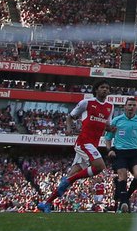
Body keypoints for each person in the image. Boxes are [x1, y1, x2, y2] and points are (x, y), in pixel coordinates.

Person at [38, 80, 114, 213]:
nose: (105, 90)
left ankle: (46, 203)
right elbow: (70, 117)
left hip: (93, 144)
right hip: (84, 142)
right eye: (102, 87)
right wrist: (68, 128)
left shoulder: (110, 107)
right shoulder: (87, 103)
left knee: (70, 177)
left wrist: (113, 128)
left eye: (107, 88)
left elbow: (107, 126)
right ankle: (69, 180)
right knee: (100, 166)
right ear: (96, 90)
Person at [105, 96, 137, 212]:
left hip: (134, 152)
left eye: (134, 105)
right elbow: (108, 137)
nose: (131, 107)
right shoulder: (117, 120)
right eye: (129, 105)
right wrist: (109, 150)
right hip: (119, 152)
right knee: (122, 175)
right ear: (125, 107)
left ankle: (126, 196)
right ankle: (124, 203)